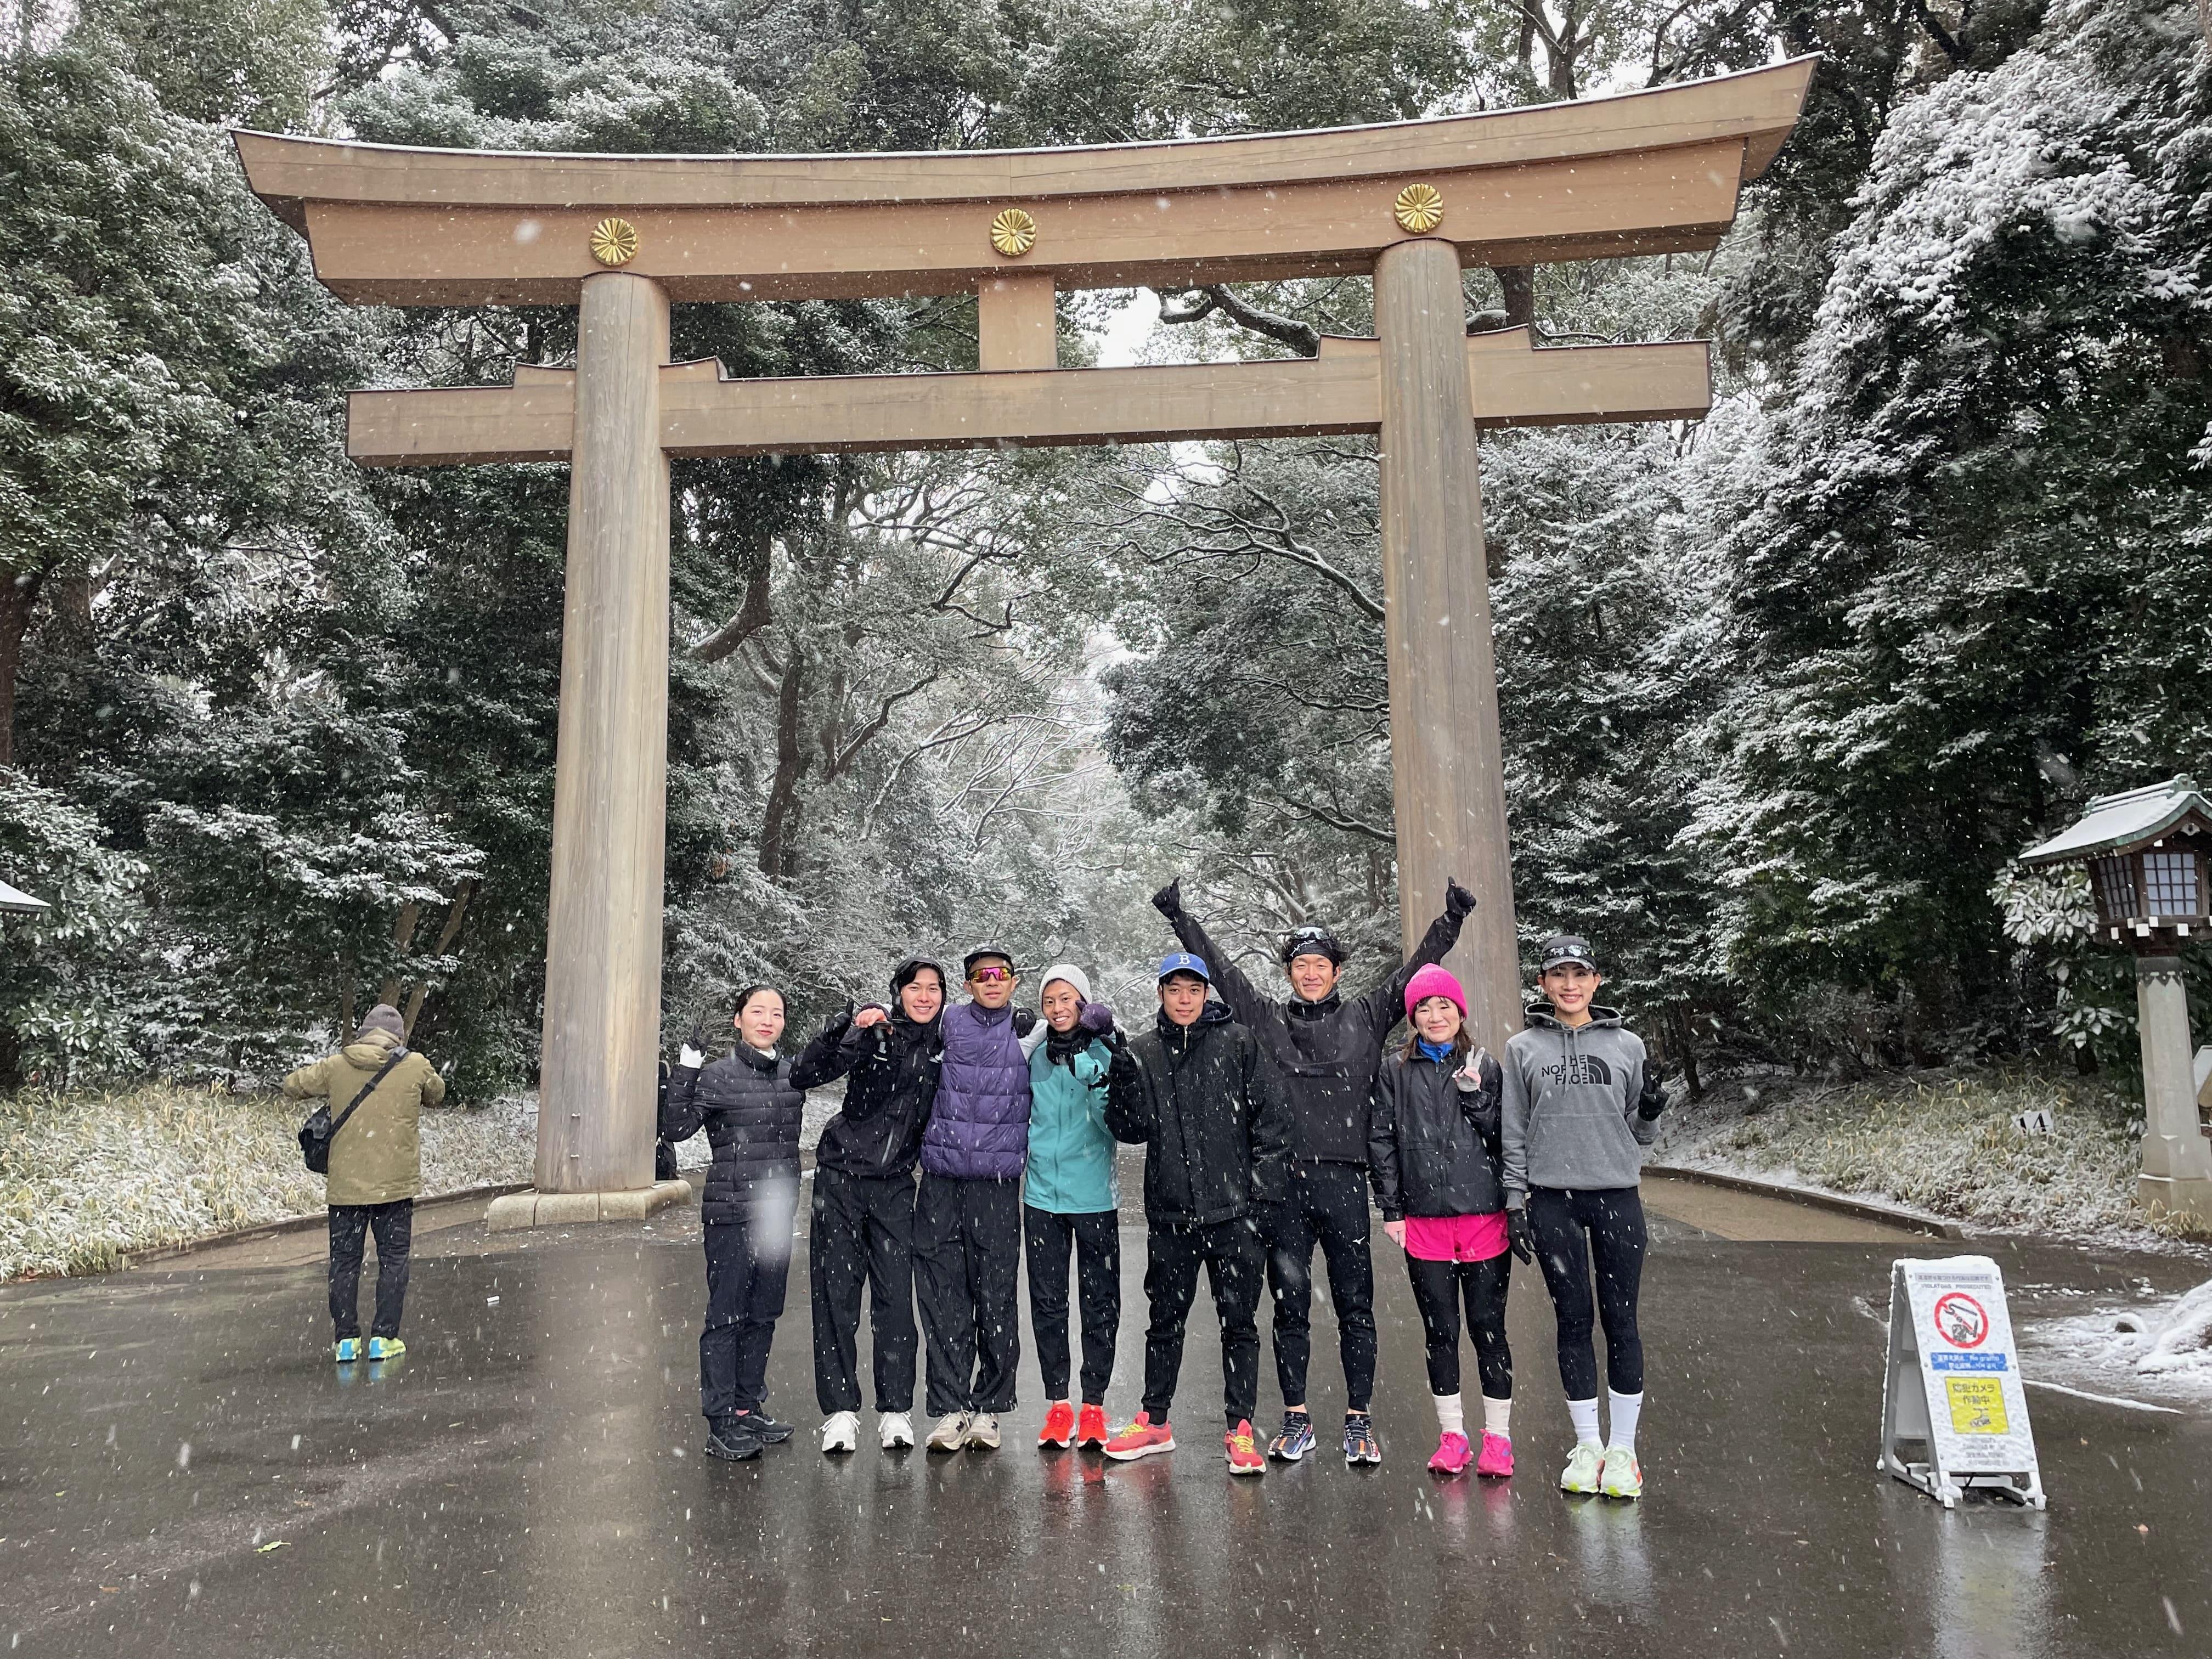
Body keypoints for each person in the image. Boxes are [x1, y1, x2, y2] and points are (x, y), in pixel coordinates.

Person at [1152, 876, 1476, 1465]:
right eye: (1301, 965)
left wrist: (1450, 919)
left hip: (1345, 1182)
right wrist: (1180, 918)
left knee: (1356, 1306)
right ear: (1290, 972)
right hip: (1283, 1187)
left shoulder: (1366, 1016)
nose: (1310, 973)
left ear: (1336, 971)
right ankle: (1296, 1417)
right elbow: (1222, 972)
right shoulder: (1266, 1020)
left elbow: (1415, 972)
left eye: (1320, 964)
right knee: (1290, 1307)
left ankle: (1359, 1420)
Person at [1101, 951, 1292, 1475]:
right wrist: (1123, 1082)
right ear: (1161, 994)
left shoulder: (1238, 1043)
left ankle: (1241, 1428)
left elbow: (1273, 1120)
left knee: (1239, 1324)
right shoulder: (1144, 1051)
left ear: (1207, 994)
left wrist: (1260, 1198)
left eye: (1193, 990)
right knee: (1164, 1321)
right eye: (1174, 990)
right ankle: (1155, 1421)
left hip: (1235, 1215)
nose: (1184, 1000)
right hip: (1171, 1216)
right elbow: (1130, 1130)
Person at [1500, 935, 1667, 1500]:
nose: (1570, 985)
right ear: (1543, 984)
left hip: (1617, 1195)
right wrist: (1515, 1201)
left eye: (1580, 974)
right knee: (1572, 1321)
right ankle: (1588, 1444)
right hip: (1553, 1200)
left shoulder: (1628, 1045)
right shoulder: (1522, 1048)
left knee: (1622, 1321)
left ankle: (1624, 1450)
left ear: (1597, 981)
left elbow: (1641, 1133)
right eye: (1559, 975)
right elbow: (1514, 1130)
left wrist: (1651, 1112)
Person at [664, 984, 836, 1463]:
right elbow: (676, 1128)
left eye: (776, 1013)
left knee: (763, 1314)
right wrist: (687, 1067)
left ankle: (746, 1407)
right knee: (726, 1317)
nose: (767, 1020)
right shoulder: (719, 1075)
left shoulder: (792, 1075)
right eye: (757, 1011)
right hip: (732, 1213)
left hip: (776, 1216)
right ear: (738, 1020)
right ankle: (720, 1422)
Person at [791, 958, 945, 1455]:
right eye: (915, 987)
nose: (925, 996)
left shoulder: (946, 1045)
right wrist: (841, 1030)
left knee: (895, 1298)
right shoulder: (878, 1033)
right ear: (899, 993)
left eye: (934, 988)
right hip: (840, 1178)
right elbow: (804, 1074)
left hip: (896, 1183)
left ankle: (896, 1410)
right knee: (836, 1295)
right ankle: (840, 1412)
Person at [1369, 965, 1514, 1479]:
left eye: (1444, 1006)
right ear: (1413, 1017)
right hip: (1425, 1221)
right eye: (1424, 1008)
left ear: (1460, 1012)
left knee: (1489, 1329)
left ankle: (1498, 1439)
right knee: (1440, 1332)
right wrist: (1392, 1209)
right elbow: (1382, 1141)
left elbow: (1505, 1136)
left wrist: (1477, 1098)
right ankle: (1452, 1436)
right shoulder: (1394, 1070)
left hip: (1483, 1218)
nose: (1435, 1016)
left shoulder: (1485, 1064)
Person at [914, 946, 1036, 1453]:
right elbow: (908, 1021)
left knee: (996, 1296)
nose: (991, 981)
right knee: (943, 1297)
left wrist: (1094, 1019)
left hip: (996, 1185)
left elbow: (1077, 1028)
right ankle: (951, 1407)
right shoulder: (947, 1022)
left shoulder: (1029, 1033)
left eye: (1001, 974)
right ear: (967, 985)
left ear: (1013, 981)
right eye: (981, 975)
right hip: (941, 1181)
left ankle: (989, 1407)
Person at [285, 1002, 445, 1364]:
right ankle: (384, 1338)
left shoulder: (336, 1066)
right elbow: (437, 1093)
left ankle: (346, 1341)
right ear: (398, 1037)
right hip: (394, 1189)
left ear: (363, 1035)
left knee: (344, 1264)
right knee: (393, 1262)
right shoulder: (415, 1065)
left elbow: (293, 1085)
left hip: (347, 1190)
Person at [1023, 963, 1121, 1452]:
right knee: (1048, 1303)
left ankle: (1095, 1406)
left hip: (1094, 1198)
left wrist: (1093, 1075)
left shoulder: (1105, 1051)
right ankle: (1059, 1404)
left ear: (1084, 1003)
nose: (1058, 1009)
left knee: (1099, 1303)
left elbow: (1113, 1125)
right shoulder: (1035, 1055)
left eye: (1067, 999)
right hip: (1041, 1197)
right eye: (1050, 1001)